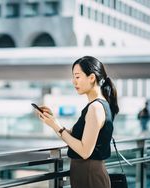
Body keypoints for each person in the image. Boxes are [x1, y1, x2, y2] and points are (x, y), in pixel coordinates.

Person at [35, 56, 119, 188]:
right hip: (88, 174)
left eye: (77, 77)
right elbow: (79, 139)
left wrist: (56, 126)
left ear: (92, 78)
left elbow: (85, 151)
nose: (73, 81)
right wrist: (54, 122)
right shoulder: (98, 105)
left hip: (90, 176)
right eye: (73, 77)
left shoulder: (95, 107)